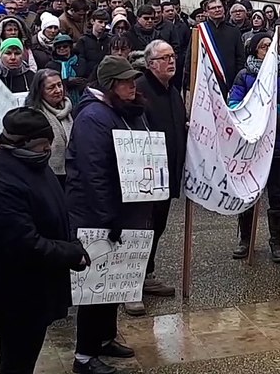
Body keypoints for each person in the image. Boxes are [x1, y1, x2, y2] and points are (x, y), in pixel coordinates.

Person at [0, 108, 91, 374]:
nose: (48, 149)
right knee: (17, 362)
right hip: (17, 293)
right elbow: (23, 242)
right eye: (43, 144)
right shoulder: (1, 178)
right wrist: (71, 253)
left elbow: (54, 210)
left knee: (25, 356)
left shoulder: (32, 163)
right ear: (22, 143)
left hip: (37, 287)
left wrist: (71, 241)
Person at [64, 56, 151, 373]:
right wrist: (107, 217)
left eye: (133, 80)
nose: (132, 86)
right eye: (125, 82)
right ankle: (84, 356)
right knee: (96, 285)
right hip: (96, 213)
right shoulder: (93, 117)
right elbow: (94, 174)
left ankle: (105, 337)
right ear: (110, 85)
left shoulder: (122, 111)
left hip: (120, 208)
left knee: (115, 280)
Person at [228, 33, 280, 264]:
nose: (267, 49)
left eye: (270, 46)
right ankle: (245, 240)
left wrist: (272, 123)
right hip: (251, 145)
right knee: (249, 192)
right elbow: (234, 105)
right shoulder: (244, 75)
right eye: (263, 46)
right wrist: (254, 122)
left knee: (275, 193)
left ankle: (277, 242)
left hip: (275, 143)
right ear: (254, 50)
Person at [126, 40, 185, 316]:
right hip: (145, 176)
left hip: (167, 175)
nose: (171, 61)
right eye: (164, 58)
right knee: (140, 229)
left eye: (172, 56)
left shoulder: (172, 90)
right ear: (151, 64)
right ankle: (130, 286)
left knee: (157, 227)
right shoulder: (140, 90)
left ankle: (146, 274)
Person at [23, 70, 73, 185]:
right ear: (40, 91)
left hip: (71, 171)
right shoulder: (34, 115)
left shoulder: (69, 110)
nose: (58, 90)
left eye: (59, 85)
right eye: (51, 88)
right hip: (46, 174)